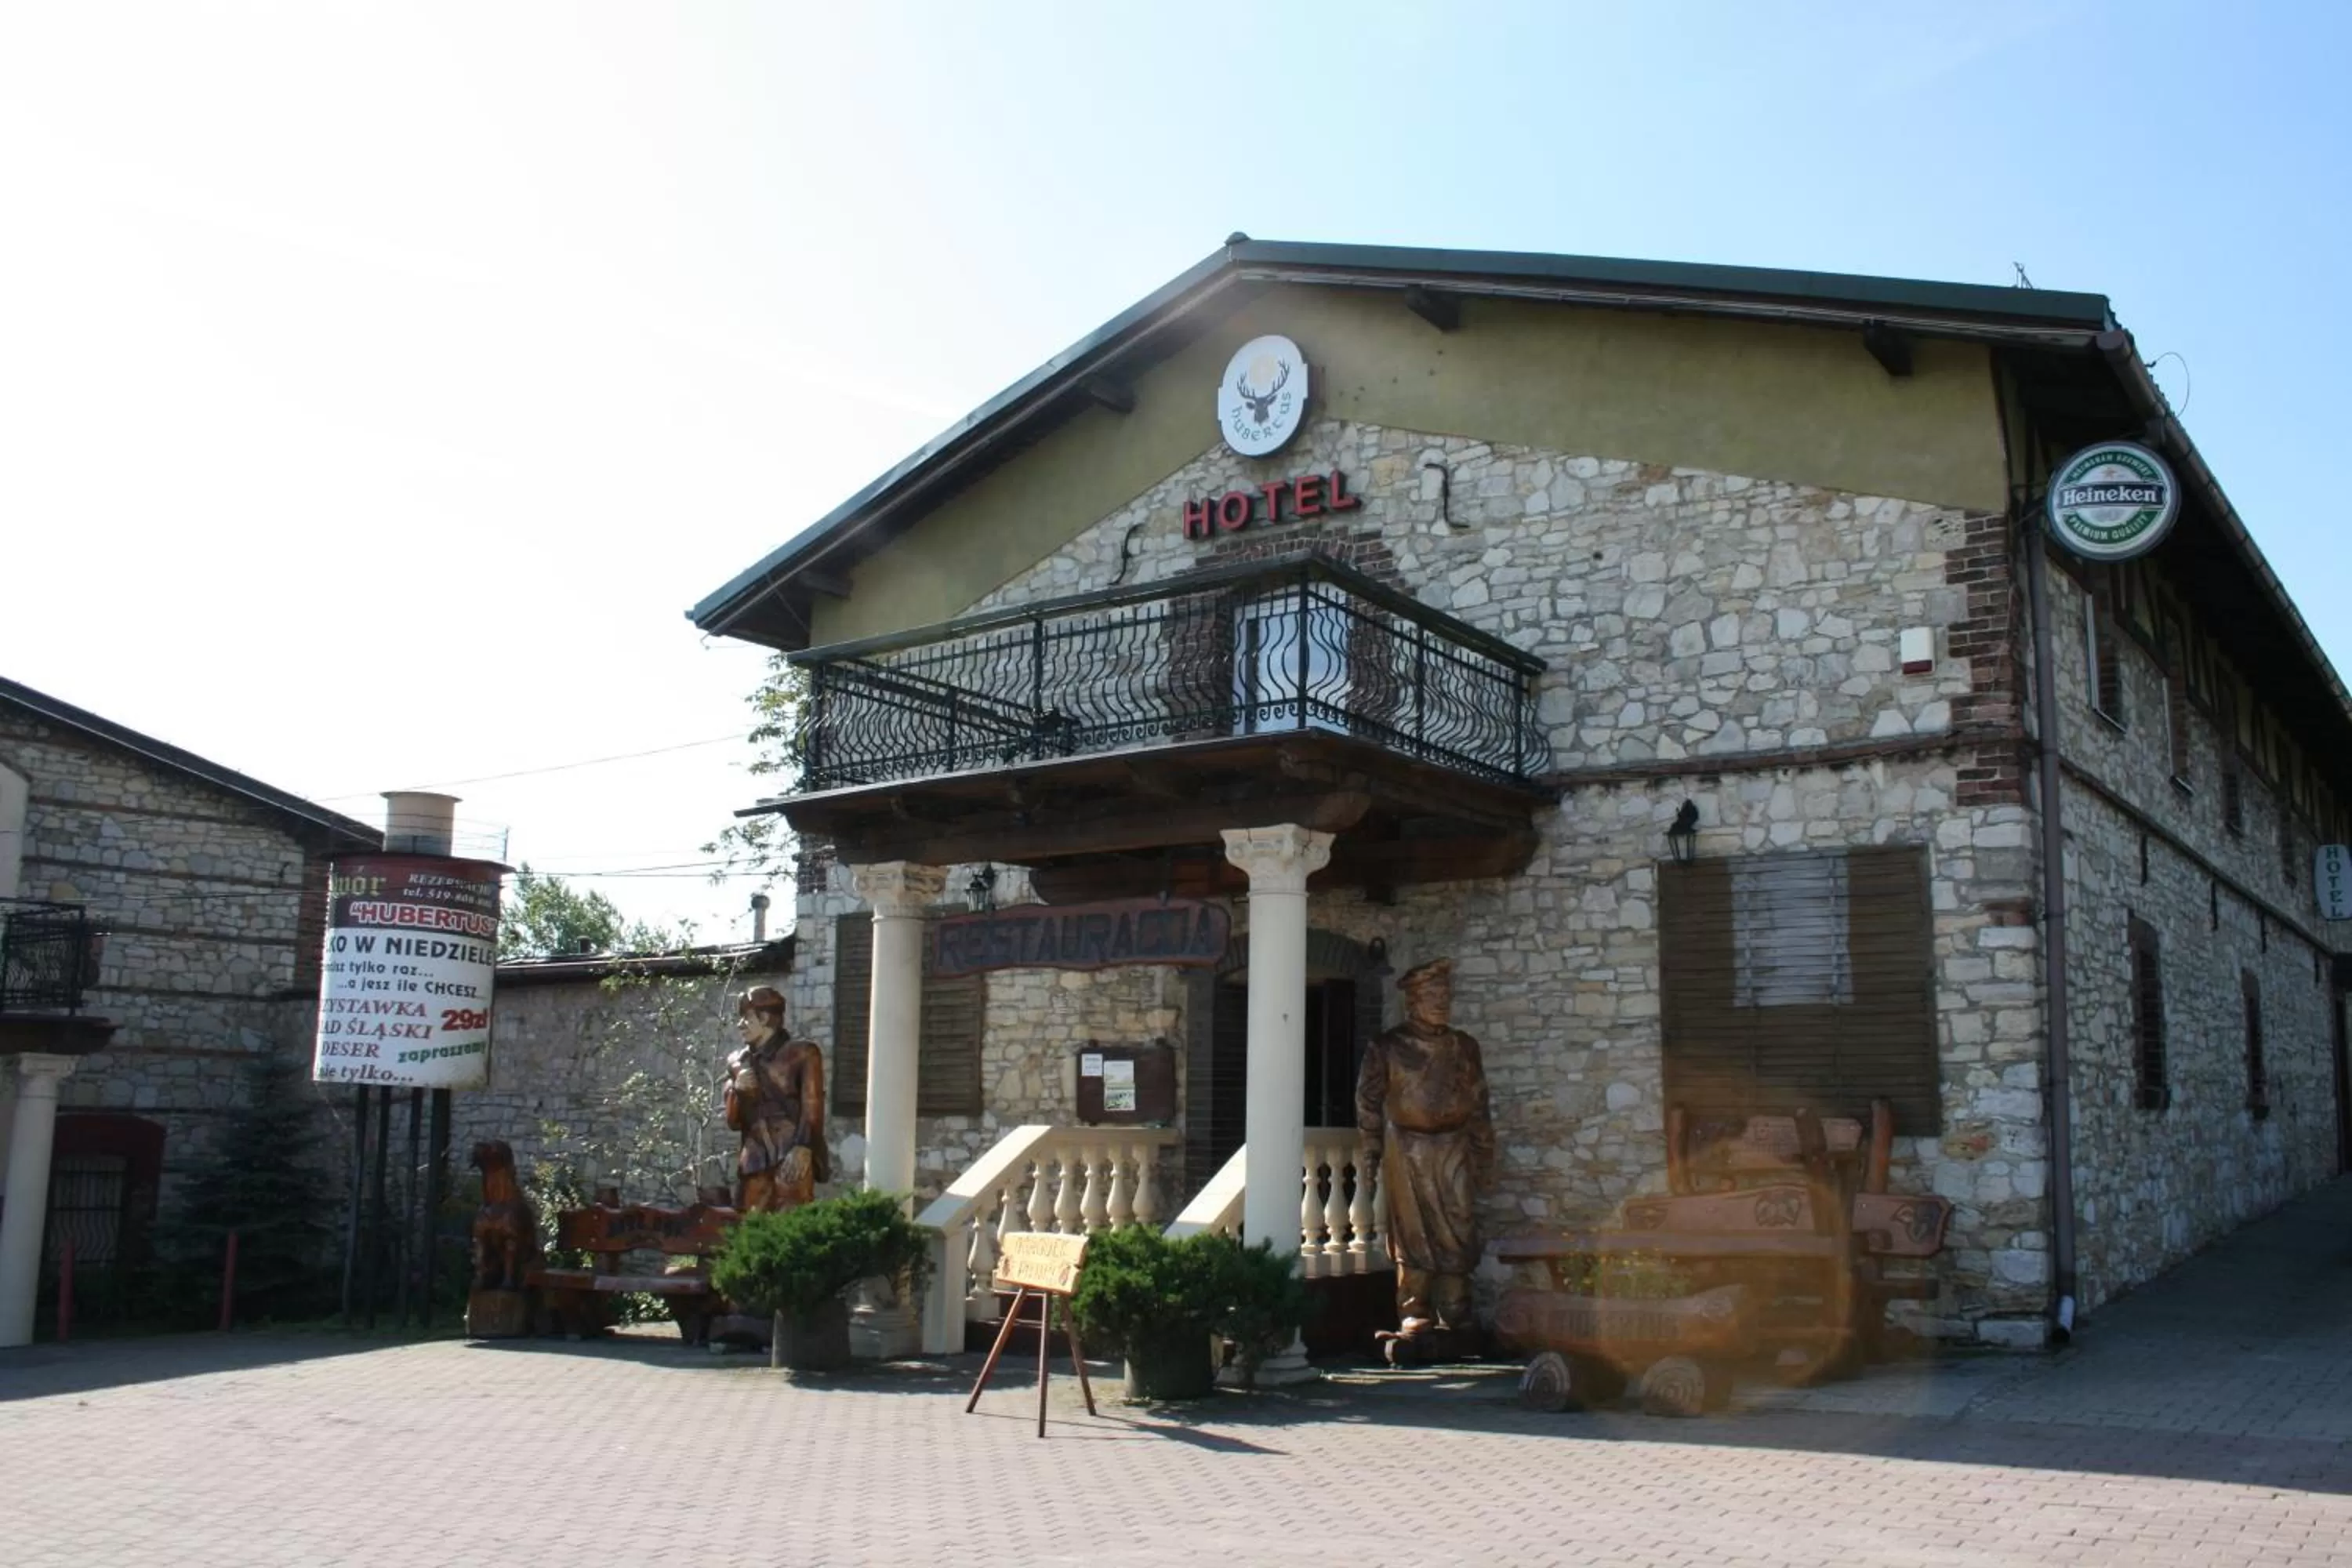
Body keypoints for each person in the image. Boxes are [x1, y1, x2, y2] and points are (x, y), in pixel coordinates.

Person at [1356, 957, 1495, 1352]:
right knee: (1412, 1231)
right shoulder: (1387, 1047)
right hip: (1406, 1149)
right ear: (1413, 1001)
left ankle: (1456, 1308)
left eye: (1445, 995)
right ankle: (1414, 1308)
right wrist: (1370, 1154)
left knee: (1458, 1224)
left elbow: (1479, 1102)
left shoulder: (1464, 1046)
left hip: (1454, 1146)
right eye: (1432, 995)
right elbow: (1368, 1103)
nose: (1441, 1002)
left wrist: (1484, 1152)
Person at [724, 985, 829, 1211]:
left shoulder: (802, 1053)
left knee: (792, 1221)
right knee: (748, 1223)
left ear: (765, 1018)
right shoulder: (738, 1062)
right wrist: (737, 1089)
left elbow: (813, 1103)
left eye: (747, 1017)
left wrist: (803, 1146)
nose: (740, 1024)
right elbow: (733, 1121)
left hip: (792, 1155)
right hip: (754, 1159)